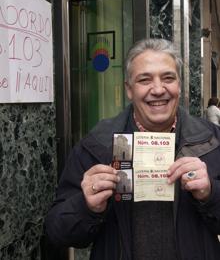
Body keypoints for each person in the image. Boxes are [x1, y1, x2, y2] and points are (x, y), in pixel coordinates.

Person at [45, 39, 220, 260]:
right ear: (129, 89)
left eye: (168, 78)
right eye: (144, 80)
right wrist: (86, 206)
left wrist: (210, 193)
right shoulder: (97, 146)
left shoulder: (212, 142)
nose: (158, 89)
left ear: (179, 84)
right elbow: (56, 232)